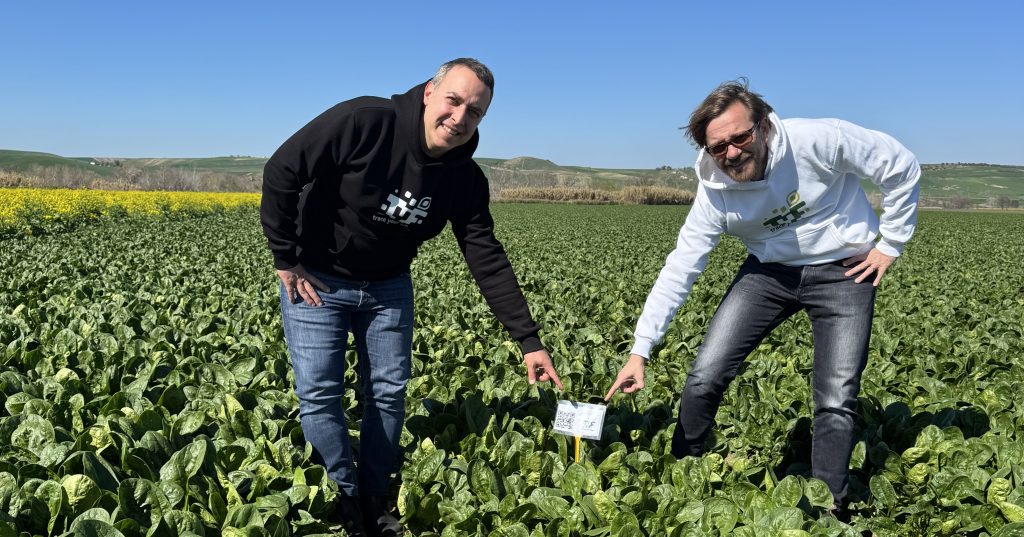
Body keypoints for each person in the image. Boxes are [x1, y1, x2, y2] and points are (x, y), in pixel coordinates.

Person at [261, 58, 563, 537]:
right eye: (455, 101)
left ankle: (375, 494)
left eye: (477, 111)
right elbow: (283, 170)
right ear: (429, 93)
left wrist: (528, 340)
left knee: (388, 393)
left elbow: (485, 256)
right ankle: (344, 494)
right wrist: (285, 256)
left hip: (387, 286)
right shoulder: (363, 121)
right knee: (319, 394)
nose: (461, 118)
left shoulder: (464, 178)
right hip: (317, 280)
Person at [604, 79, 920, 514]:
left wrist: (891, 243)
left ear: (765, 125)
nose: (732, 153)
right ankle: (681, 477)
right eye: (718, 147)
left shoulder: (820, 139)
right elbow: (682, 266)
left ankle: (830, 509)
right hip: (769, 273)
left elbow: (899, 164)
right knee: (705, 374)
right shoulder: (714, 193)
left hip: (845, 271)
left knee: (835, 396)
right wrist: (640, 350)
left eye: (741, 137)